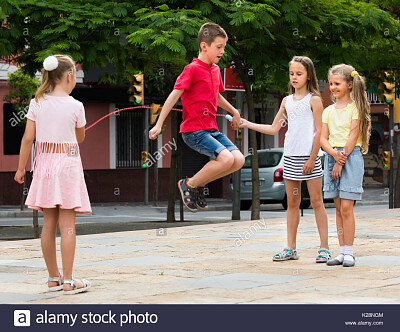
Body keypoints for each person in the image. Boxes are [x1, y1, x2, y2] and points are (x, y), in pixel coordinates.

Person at [240, 56, 331, 263]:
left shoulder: (315, 100)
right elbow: (273, 128)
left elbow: (319, 133)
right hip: (289, 158)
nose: (294, 77)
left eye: (299, 74)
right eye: (292, 74)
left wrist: (311, 158)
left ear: (308, 75)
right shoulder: (286, 101)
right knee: (292, 202)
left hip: (310, 158)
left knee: (317, 202)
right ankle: (290, 248)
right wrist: (246, 123)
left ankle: (324, 248)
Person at [14, 54, 91, 294]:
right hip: (67, 166)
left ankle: (52, 278)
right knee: (68, 225)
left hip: (44, 166)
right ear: (69, 76)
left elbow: (28, 139)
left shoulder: (37, 102)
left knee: (48, 225)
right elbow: (79, 138)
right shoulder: (76, 105)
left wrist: (20, 168)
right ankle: (68, 281)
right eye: (75, 76)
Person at [149, 22, 245, 212]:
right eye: (219, 47)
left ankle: (197, 185)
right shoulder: (191, 69)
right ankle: (189, 184)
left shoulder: (216, 70)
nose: (222, 51)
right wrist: (158, 124)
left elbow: (216, 96)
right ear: (204, 46)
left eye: (224, 47)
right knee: (225, 159)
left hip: (211, 129)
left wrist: (234, 111)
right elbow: (173, 96)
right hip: (193, 130)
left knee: (238, 160)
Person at [321, 64, 371, 267]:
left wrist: (340, 160)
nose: (333, 87)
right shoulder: (327, 111)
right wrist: (333, 155)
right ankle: (341, 252)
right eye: (331, 83)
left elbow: (353, 135)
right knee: (338, 208)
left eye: (337, 83)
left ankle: (349, 252)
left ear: (350, 85)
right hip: (332, 155)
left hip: (350, 157)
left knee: (347, 207)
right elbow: (323, 139)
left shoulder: (356, 108)